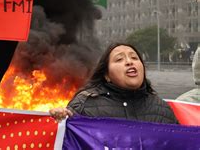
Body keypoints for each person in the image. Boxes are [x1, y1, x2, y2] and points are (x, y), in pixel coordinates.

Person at [49, 42, 178, 124]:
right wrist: (57, 120)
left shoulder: (162, 109)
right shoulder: (85, 105)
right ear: (107, 75)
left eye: (134, 57)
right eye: (119, 59)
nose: (129, 62)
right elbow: (65, 140)